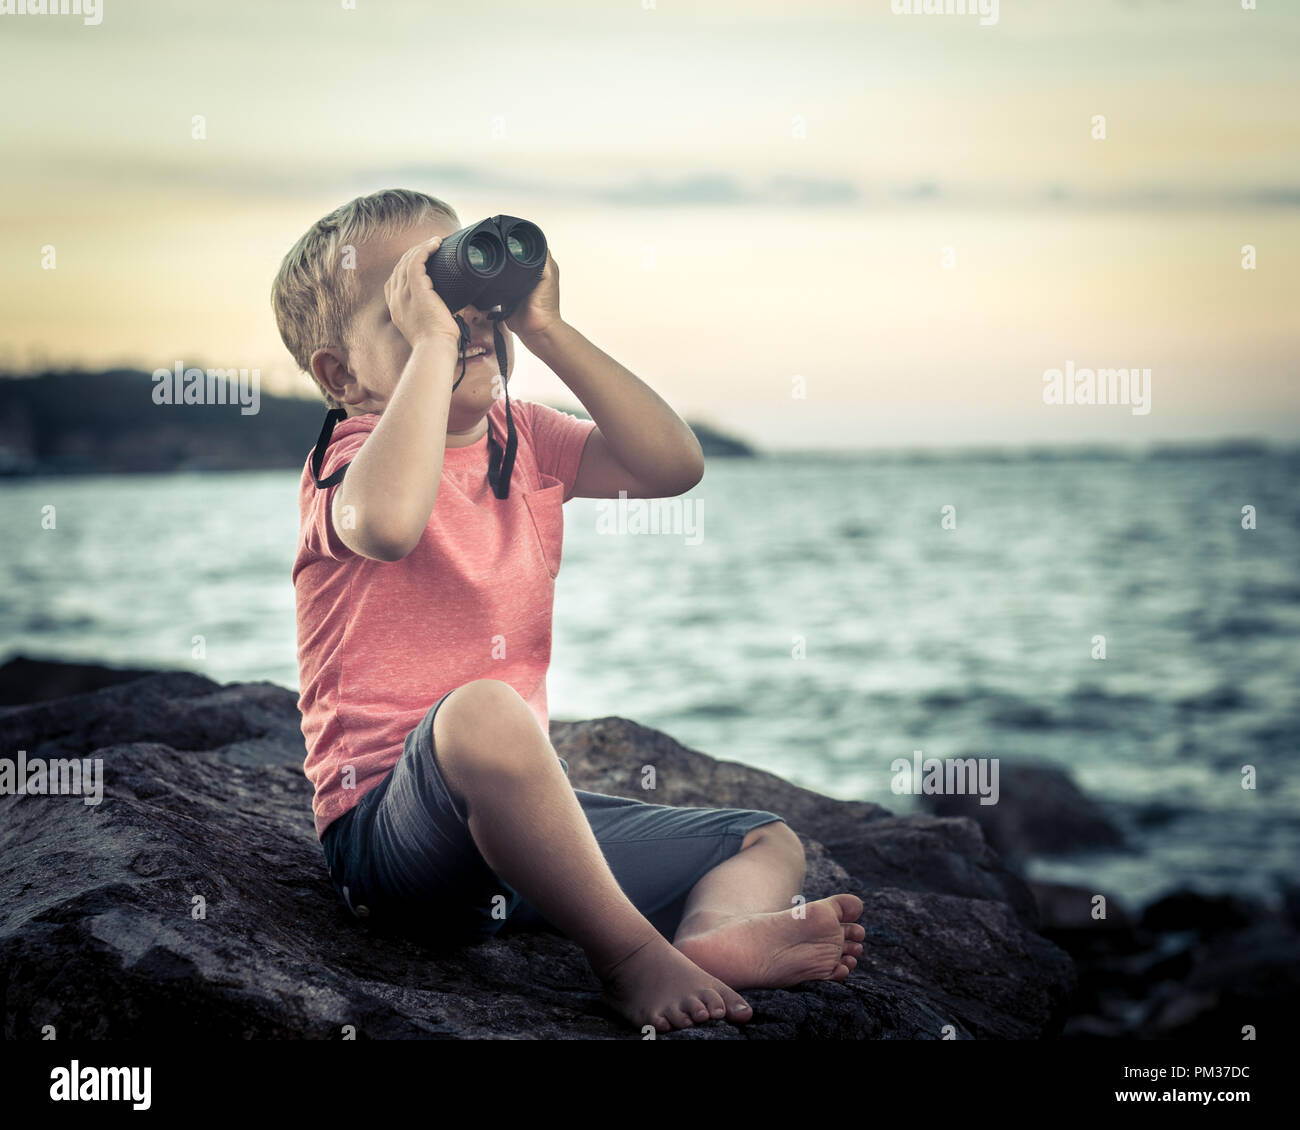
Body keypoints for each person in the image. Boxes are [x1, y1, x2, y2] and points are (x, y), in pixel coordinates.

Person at [272, 188, 865, 1034]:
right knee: (486, 712)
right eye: (413, 301)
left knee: (764, 840)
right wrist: (439, 345)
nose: (462, 316)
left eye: (469, 293)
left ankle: (715, 938)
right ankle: (629, 958)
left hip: (515, 849)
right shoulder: (350, 458)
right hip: (389, 846)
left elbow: (672, 466)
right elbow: (391, 524)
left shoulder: (523, 436)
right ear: (341, 375)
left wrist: (546, 327)